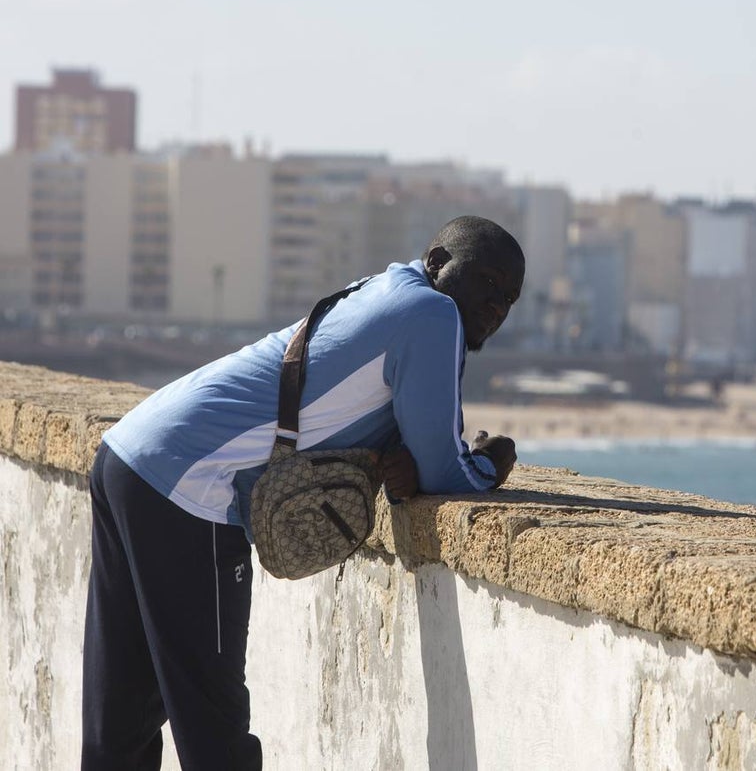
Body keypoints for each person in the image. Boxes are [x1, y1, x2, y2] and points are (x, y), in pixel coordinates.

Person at [82, 215, 524, 770]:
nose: (498, 306)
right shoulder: (433, 314)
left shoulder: (380, 291)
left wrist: (412, 456)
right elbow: (444, 471)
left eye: (509, 297)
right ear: (437, 263)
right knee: (212, 728)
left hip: (127, 453)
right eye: (487, 282)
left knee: (118, 723)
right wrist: (492, 460)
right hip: (189, 486)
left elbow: (401, 437)